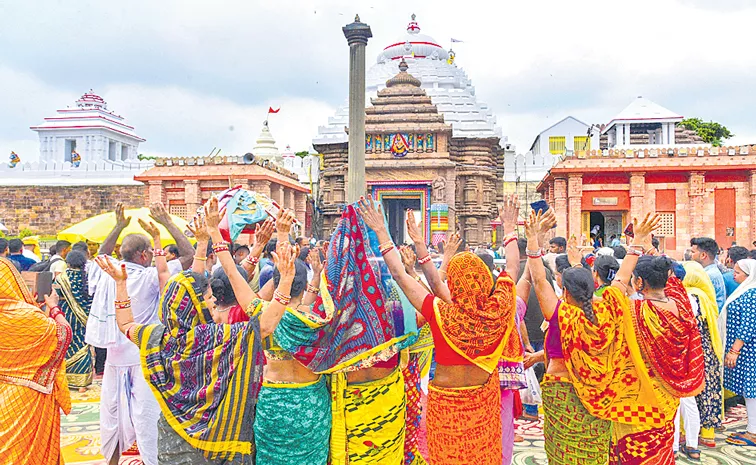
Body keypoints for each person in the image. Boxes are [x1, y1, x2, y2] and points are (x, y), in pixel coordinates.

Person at [94, 195, 295, 464]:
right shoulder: (220, 337)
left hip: (173, 442)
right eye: (208, 297)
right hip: (218, 445)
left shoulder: (158, 337)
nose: (212, 300)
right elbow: (267, 324)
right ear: (199, 305)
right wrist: (287, 280)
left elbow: (125, 324)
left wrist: (120, 285)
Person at [360, 195, 523, 465]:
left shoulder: (442, 314)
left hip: (445, 408)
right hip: (483, 406)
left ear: (455, 289)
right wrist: (508, 228)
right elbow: (514, 267)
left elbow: (401, 276)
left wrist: (381, 232)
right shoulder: (500, 310)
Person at [87, 203, 194, 465]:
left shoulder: (108, 273)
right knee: (146, 419)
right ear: (145, 255)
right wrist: (167, 222)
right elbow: (190, 256)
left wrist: (118, 226)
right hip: (144, 358)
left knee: (111, 418)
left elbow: (101, 253)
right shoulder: (149, 277)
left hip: (114, 358)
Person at [0, 257, 72, 464]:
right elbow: (63, 335)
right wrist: (54, 308)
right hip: (26, 398)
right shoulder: (26, 316)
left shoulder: (27, 314)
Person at [681, 261, 723, 451]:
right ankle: (707, 434)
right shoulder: (705, 296)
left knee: (691, 394)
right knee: (708, 391)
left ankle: (687, 437)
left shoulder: (688, 296)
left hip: (693, 351)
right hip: (708, 350)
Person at [723, 259, 756, 447]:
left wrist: (734, 350)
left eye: (737, 272)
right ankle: (752, 428)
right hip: (745, 349)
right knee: (749, 390)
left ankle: (753, 433)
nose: (733, 274)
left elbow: (748, 325)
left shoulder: (751, 293)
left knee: (752, 390)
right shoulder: (745, 290)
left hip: (748, 349)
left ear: (749, 275)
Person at [56, 249, 95, 391]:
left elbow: (55, 295)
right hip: (86, 317)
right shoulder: (88, 277)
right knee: (83, 347)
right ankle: (82, 384)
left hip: (66, 316)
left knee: (67, 345)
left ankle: (67, 379)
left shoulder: (62, 278)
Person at [691, 237, 726, 310]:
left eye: (693, 252)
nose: (691, 255)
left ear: (703, 255)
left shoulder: (708, 275)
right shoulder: (708, 272)